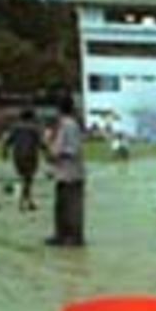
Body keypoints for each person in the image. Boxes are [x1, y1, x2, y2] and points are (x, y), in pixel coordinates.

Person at [46, 98, 87, 247]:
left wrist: (57, 154)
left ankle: (74, 238)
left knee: (72, 208)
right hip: (63, 173)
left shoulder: (70, 126)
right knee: (61, 207)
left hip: (72, 174)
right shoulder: (63, 126)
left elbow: (73, 149)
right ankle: (61, 235)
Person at [3, 109, 49, 211]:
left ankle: (29, 202)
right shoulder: (34, 128)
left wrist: (5, 153)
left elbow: (7, 141)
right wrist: (47, 153)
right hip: (30, 156)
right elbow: (41, 143)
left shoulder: (15, 127)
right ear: (30, 117)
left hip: (17, 156)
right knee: (28, 179)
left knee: (25, 179)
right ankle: (22, 202)